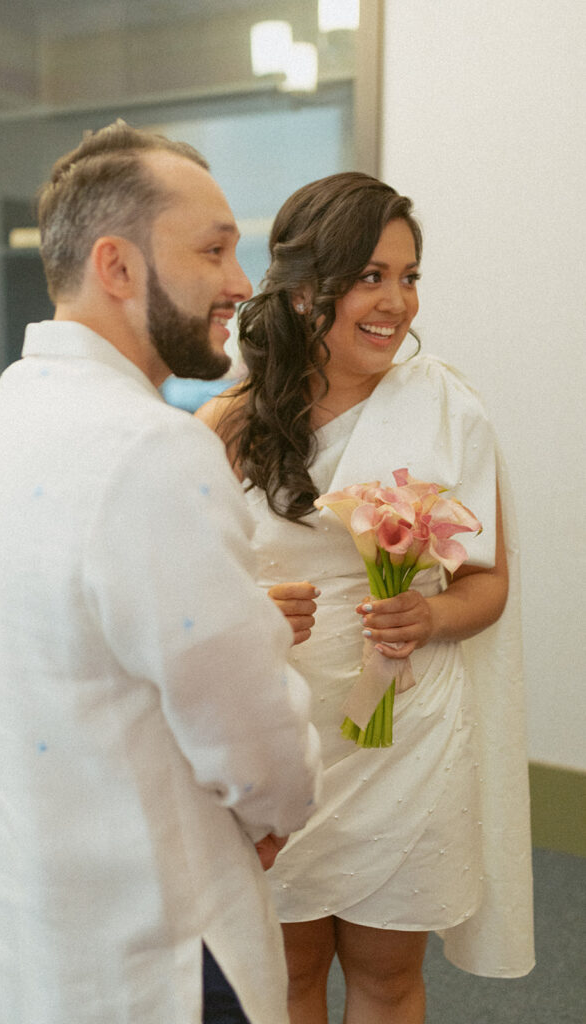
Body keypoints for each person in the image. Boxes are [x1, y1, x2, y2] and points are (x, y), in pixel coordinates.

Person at [0, 121, 323, 1024]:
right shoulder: (152, 448)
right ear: (117, 265)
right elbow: (254, 740)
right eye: (213, 250)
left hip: (26, 930)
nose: (239, 282)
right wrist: (277, 808)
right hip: (161, 950)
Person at [196, 172, 535, 1023]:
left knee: (387, 978)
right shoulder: (229, 424)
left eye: (409, 276)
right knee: (290, 977)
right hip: (282, 728)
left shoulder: (448, 409)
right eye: (370, 276)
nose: (396, 302)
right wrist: (248, 613)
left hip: (404, 736)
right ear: (305, 287)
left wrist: (431, 614)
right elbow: (181, 593)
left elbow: (486, 585)